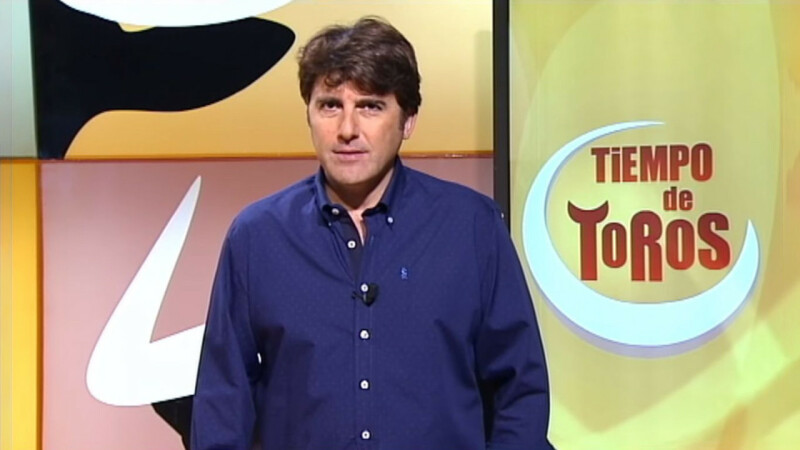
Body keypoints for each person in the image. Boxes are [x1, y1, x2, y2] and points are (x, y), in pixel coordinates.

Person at [191, 17, 553, 450]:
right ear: (308, 114)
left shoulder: (472, 227)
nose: (347, 129)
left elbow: (520, 388)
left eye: (370, 106)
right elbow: (222, 404)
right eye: (330, 106)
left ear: (408, 121)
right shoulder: (257, 237)